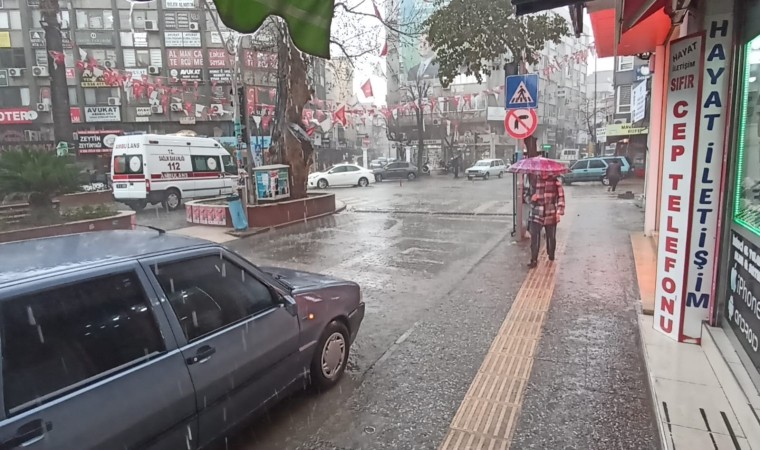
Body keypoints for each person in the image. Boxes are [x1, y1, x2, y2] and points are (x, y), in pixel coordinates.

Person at [526, 173, 565, 268]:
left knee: (551, 237)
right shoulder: (534, 181)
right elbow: (526, 195)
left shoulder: (555, 182)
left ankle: (551, 255)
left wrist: (559, 212)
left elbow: (561, 197)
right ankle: (534, 259)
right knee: (534, 238)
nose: (543, 173)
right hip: (536, 213)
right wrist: (531, 198)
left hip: (550, 213)